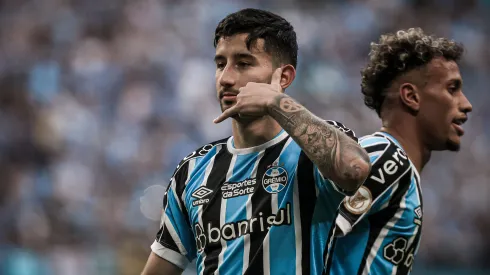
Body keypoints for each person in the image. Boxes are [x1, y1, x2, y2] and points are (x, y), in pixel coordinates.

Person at [141, 8, 370, 275]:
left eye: (243, 63)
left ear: (283, 77)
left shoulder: (312, 150)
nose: (225, 78)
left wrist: (276, 103)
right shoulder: (193, 171)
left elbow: (354, 169)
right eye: (219, 64)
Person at [323, 28, 473, 275]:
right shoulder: (387, 158)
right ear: (411, 97)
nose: (466, 104)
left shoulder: (402, 172)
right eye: (452, 88)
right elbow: (306, 242)